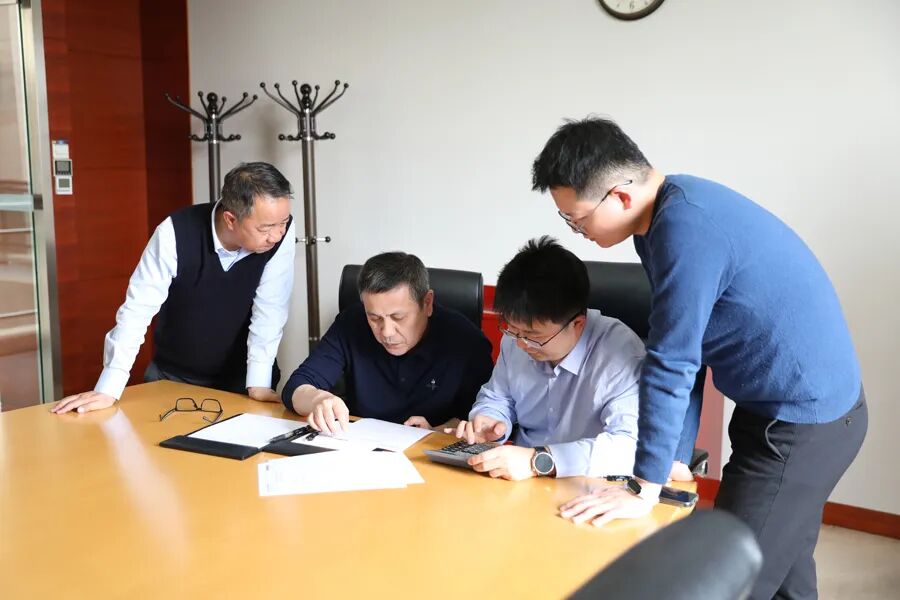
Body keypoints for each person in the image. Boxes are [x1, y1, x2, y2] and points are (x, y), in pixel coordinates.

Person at [532, 117, 866, 600]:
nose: (576, 231)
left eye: (576, 220)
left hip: (805, 424)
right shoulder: (661, 219)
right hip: (773, 409)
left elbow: (672, 362)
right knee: (784, 579)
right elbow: (687, 347)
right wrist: (670, 458)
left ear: (619, 196)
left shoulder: (685, 230)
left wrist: (643, 486)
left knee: (727, 577)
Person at [52, 162, 296, 414]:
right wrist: (108, 388)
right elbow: (137, 310)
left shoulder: (280, 233)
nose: (277, 235)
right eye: (265, 228)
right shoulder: (175, 233)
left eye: (283, 222)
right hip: (175, 380)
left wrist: (259, 382)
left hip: (242, 380)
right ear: (231, 219)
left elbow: (271, 308)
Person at [449, 236, 647, 481]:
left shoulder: (620, 353)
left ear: (577, 324)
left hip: (587, 483)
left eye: (534, 336)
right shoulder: (516, 339)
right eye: (513, 330)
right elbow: (497, 397)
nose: (521, 344)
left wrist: (538, 461)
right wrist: (491, 421)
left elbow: (629, 446)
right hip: (517, 479)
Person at [281, 251, 494, 433]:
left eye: (398, 317)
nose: (387, 332)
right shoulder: (351, 323)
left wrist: (437, 431)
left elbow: (482, 419)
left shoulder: (466, 341)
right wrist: (318, 399)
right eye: (374, 318)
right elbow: (296, 386)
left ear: (427, 303)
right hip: (358, 445)